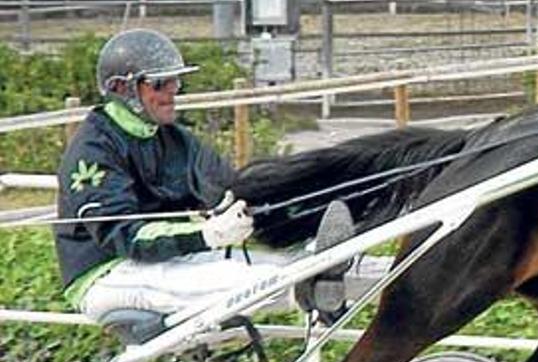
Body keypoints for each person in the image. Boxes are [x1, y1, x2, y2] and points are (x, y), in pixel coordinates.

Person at [54, 28, 347, 335]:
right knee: (262, 282)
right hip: (107, 273)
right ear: (122, 89)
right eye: (160, 83)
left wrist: (299, 215)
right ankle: (313, 290)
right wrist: (209, 233)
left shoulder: (176, 140)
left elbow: (231, 192)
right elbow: (127, 237)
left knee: (287, 266)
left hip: (165, 260)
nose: (172, 91)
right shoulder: (92, 153)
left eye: (175, 81)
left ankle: (320, 274)